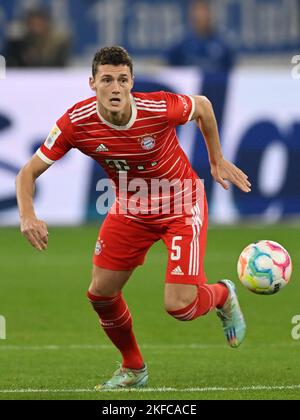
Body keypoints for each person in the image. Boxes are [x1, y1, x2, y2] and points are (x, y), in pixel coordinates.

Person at [16, 46, 251, 390]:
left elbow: (203, 106)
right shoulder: (75, 123)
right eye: (107, 80)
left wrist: (216, 160)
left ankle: (221, 294)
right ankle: (133, 368)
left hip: (182, 203)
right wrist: (27, 215)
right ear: (92, 83)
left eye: (122, 80)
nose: (115, 87)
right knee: (101, 295)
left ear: (132, 83)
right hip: (131, 206)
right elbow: (27, 173)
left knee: (180, 307)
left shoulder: (157, 107)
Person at [167, 0, 235, 72]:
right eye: (197, 10)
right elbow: (171, 69)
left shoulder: (223, 43)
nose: (200, 15)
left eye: (204, 10)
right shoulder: (180, 43)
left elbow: (229, 69)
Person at [4, 7, 71, 67]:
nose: (35, 28)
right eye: (32, 24)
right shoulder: (17, 45)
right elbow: (11, 67)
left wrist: (38, 60)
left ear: (47, 25)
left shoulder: (59, 45)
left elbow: (60, 68)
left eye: (39, 24)